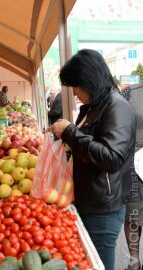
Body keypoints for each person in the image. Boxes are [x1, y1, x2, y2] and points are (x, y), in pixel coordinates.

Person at [49, 49, 136, 270]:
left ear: (89, 80)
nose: (75, 93)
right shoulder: (94, 107)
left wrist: (70, 132)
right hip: (89, 199)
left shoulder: (117, 107)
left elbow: (111, 158)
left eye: (76, 86)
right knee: (89, 260)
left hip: (103, 207)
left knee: (99, 263)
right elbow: (89, 146)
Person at [120, 84, 143, 270]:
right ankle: (134, 262)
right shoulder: (129, 93)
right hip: (134, 163)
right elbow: (119, 123)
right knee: (133, 213)